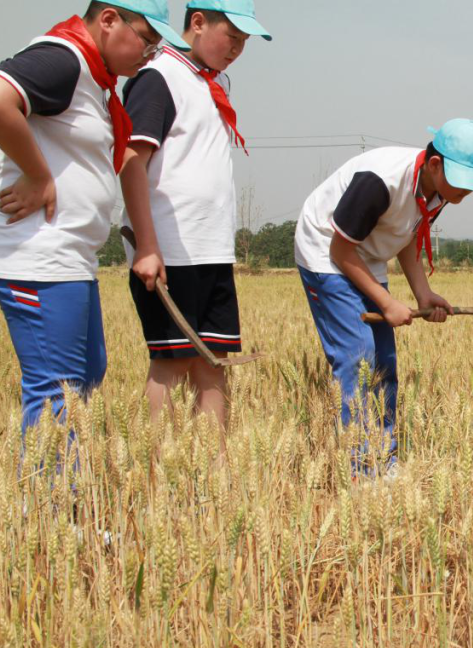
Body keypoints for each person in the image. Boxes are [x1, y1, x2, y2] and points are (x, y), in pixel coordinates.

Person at [0, 2, 187, 431]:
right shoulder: (65, 59)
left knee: (88, 373)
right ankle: (48, 498)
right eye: (147, 41)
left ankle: (60, 490)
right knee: (58, 389)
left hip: (69, 257)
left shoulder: (95, 80)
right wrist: (38, 175)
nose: (150, 54)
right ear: (109, 19)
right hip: (35, 254)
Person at [294, 119, 473, 475]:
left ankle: (385, 458)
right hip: (326, 250)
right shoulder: (380, 182)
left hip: (365, 253)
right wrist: (385, 302)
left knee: (383, 360)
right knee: (357, 356)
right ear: (435, 164)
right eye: (461, 182)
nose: (465, 193)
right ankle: (359, 466)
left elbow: (407, 238)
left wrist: (423, 294)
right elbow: (341, 252)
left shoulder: (438, 189)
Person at [119, 0, 271, 426]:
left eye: (245, 41)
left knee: (213, 362)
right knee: (172, 361)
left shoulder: (211, 82)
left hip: (211, 248)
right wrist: (147, 246)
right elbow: (132, 161)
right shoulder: (159, 77)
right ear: (198, 22)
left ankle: (213, 472)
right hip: (169, 250)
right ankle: (155, 473)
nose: (238, 48)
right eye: (233, 36)